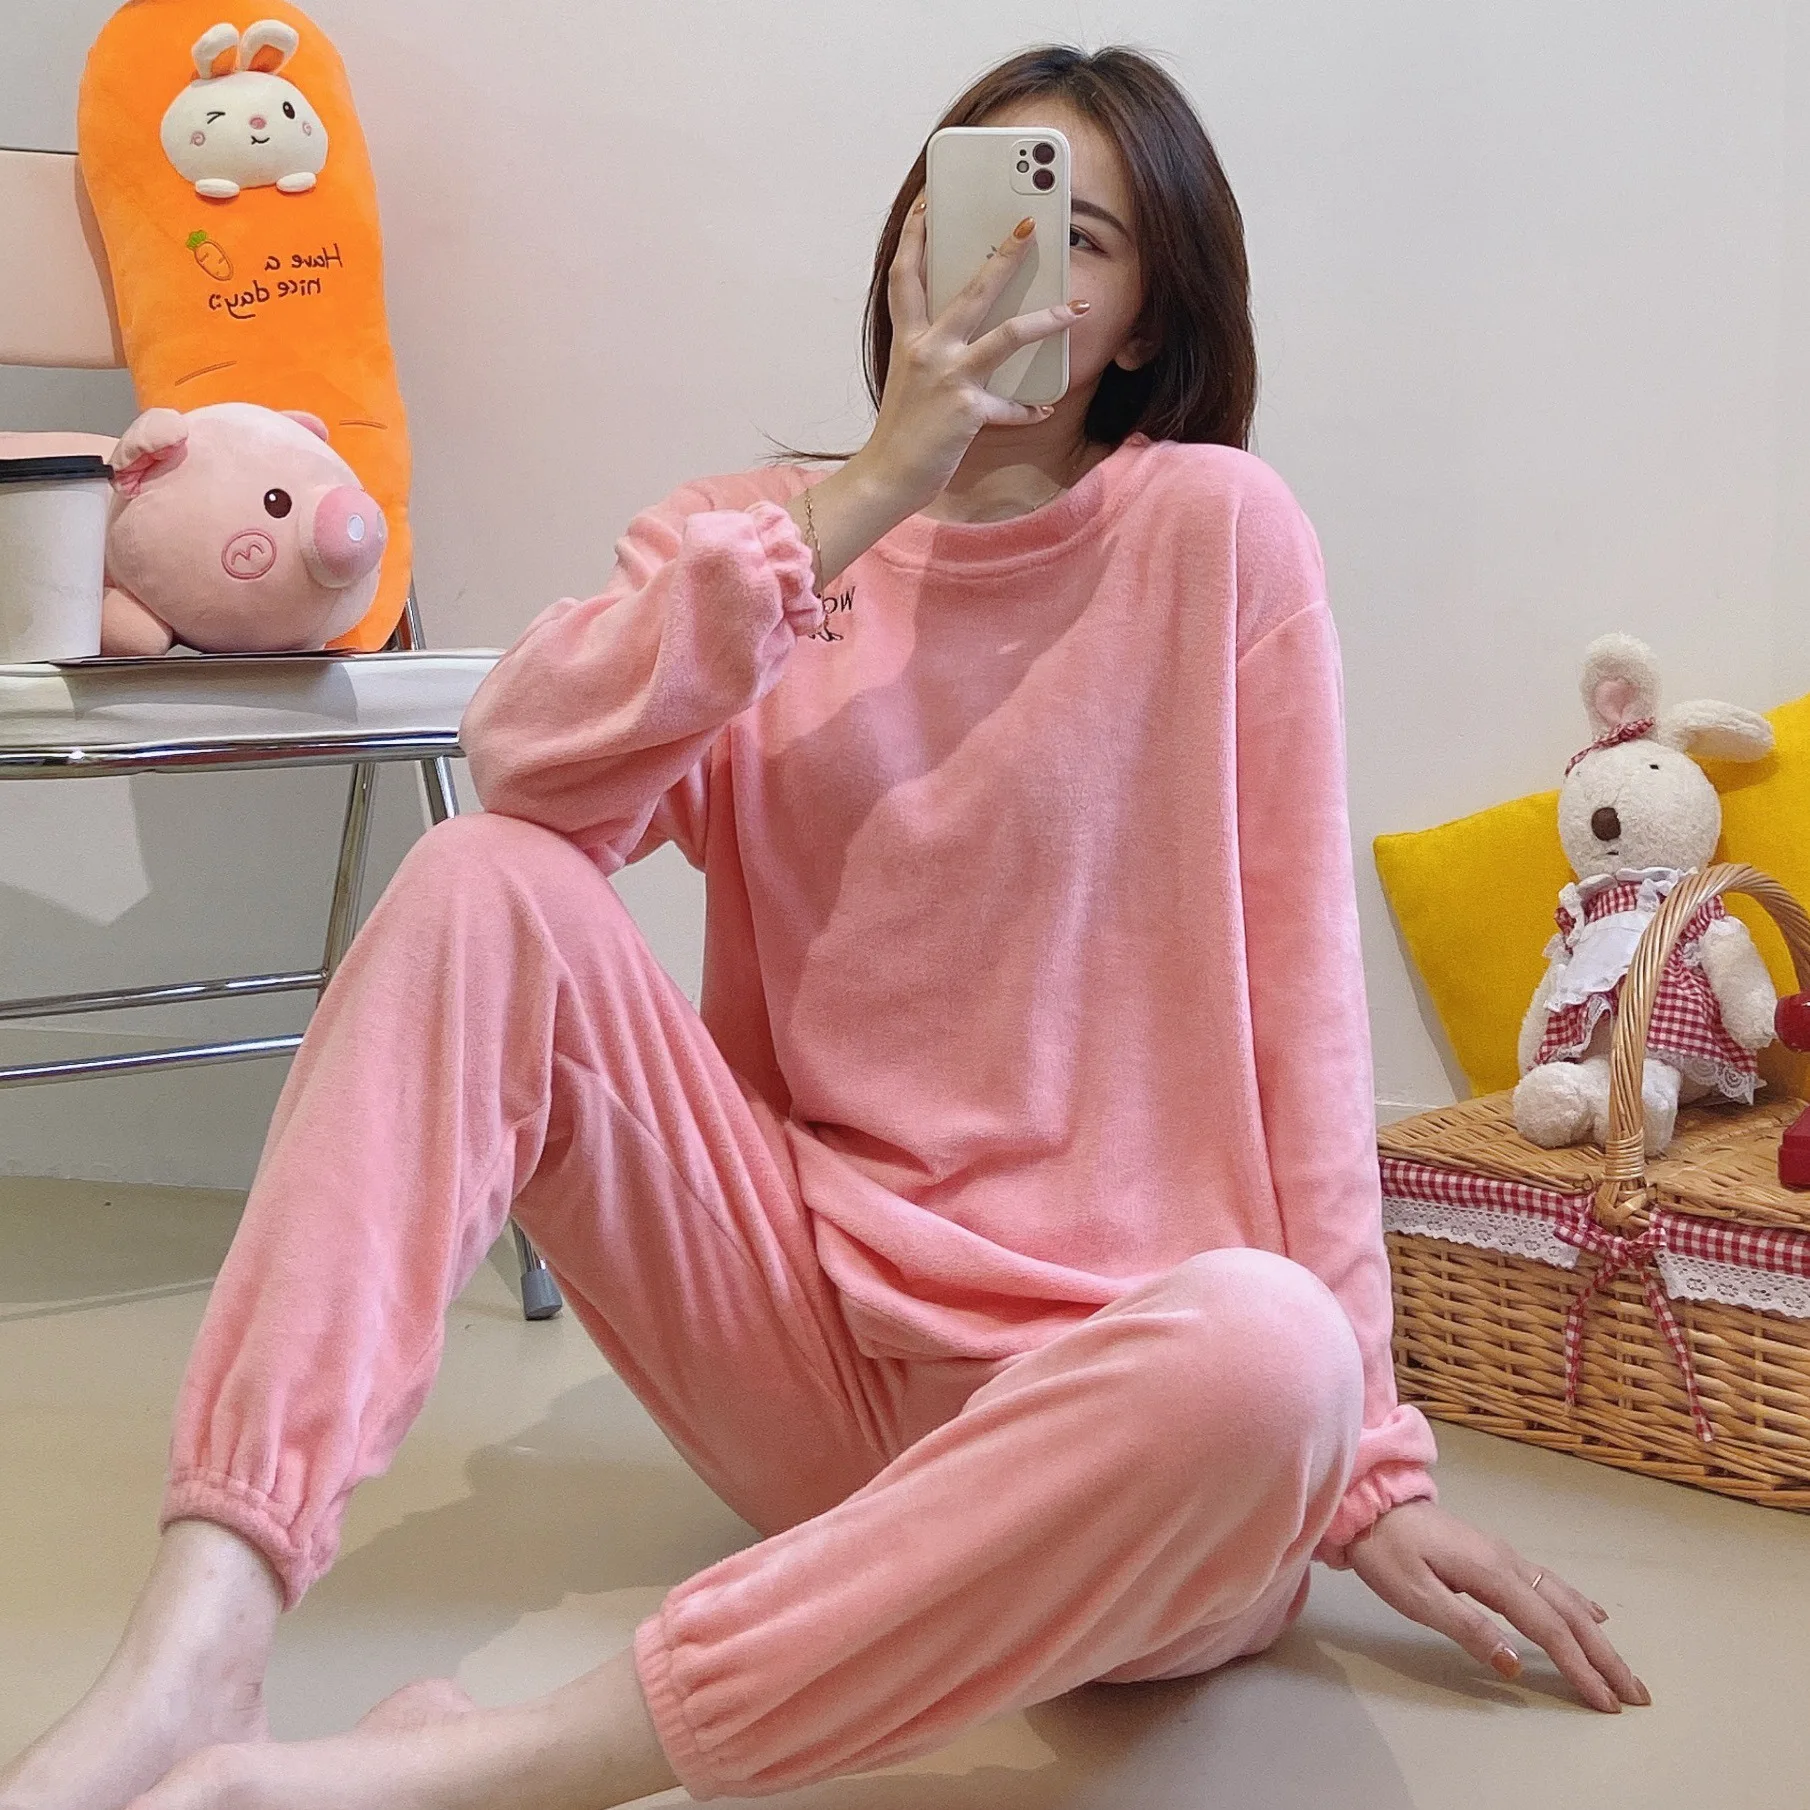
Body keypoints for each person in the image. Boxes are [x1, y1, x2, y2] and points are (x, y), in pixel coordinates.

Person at [0, 41, 1647, 1810]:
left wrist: (1367, 1464)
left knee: (1270, 1348)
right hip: (810, 1371)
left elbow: (1302, 1020)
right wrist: (864, 497)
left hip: (1125, 1440)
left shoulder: (1214, 533)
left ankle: (483, 1771)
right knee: (482, 881)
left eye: (1075, 239)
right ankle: (200, 1642)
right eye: (974, 210)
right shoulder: (756, 543)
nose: (1008, 267)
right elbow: (524, 766)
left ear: (1142, 326)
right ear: (904, 239)